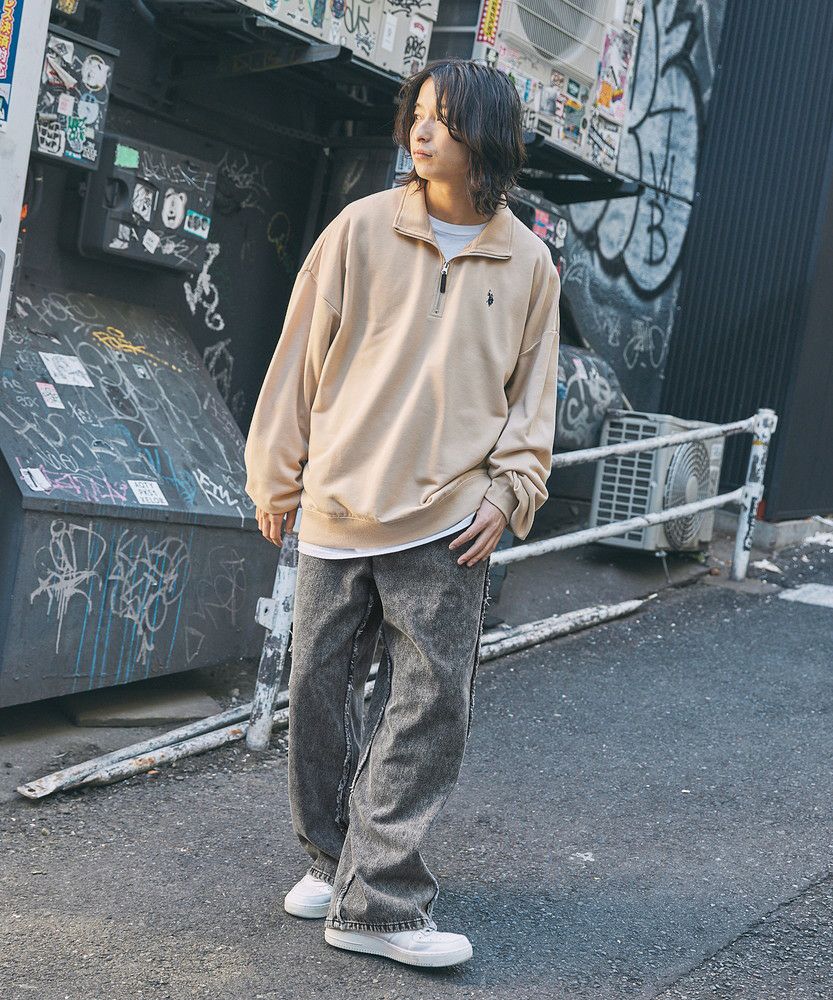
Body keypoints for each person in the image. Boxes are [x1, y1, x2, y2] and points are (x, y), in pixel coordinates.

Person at [244, 57, 561, 969]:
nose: (420, 131)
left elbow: (531, 400)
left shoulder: (527, 262)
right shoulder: (360, 228)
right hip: (339, 503)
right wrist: (275, 476)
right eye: (416, 114)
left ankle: (378, 902)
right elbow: (298, 357)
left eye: (443, 119)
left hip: (452, 519)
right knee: (317, 696)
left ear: (485, 137)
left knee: (426, 712)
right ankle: (334, 857)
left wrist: (509, 490)